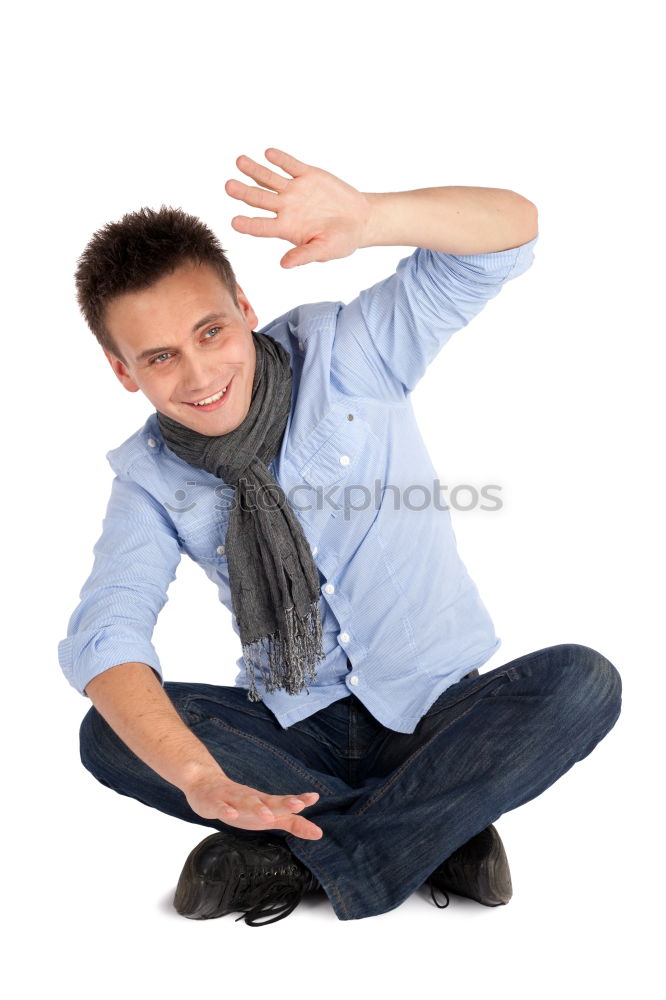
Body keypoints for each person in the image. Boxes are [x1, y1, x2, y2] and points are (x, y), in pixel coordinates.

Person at [58, 147, 622, 927]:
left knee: (582, 683)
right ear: (125, 373)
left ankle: (309, 854)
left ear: (246, 308)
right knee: (107, 733)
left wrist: (371, 218)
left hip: (435, 713)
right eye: (160, 357)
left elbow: (510, 235)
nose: (197, 375)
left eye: (210, 331)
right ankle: (433, 832)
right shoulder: (148, 477)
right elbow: (108, 634)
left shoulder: (346, 353)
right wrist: (197, 776)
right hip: (297, 733)